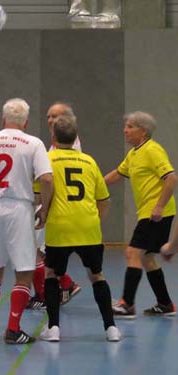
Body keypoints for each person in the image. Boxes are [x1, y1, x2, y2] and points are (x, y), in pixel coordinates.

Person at [0, 98, 53, 344]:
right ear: (25, 122)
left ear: (2, 118)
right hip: (18, 207)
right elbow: (46, 179)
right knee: (24, 271)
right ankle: (14, 329)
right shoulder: (32, 142)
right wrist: (44, 209)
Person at [37, 114, 121, 342]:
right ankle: (110, 328)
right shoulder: (89, 161)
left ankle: (53, 328)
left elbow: (38, 192)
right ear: (75, 138)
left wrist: (42, 211)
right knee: (96, 275)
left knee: (52, 274)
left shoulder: (47, 159)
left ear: (53, 136)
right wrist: (93, 220)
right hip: (88, 227)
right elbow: (104, 200)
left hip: (59, 226)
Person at [105, 111, 177, 318]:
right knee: (146, 258)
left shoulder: (153, 150)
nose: (124, 130)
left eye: (129, 127)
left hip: (156, 213)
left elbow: (171, 179)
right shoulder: (134, 153)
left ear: (142, 131)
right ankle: (165, 304)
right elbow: (119, 173)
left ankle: (127, 304)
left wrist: (159, 207)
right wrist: (95, 184)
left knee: (133, 253)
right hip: (148, 212)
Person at [27, 102, 82, 310]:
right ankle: (66, 284)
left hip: (56, 206)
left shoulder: (66, 144)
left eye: (56, 116)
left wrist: (43, 203)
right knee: (42, 252)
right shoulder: (54, 143)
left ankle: (44, 294)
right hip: (53, 204)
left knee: (35, 251)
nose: (51, 120)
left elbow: (52, 177)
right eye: (49, 116)